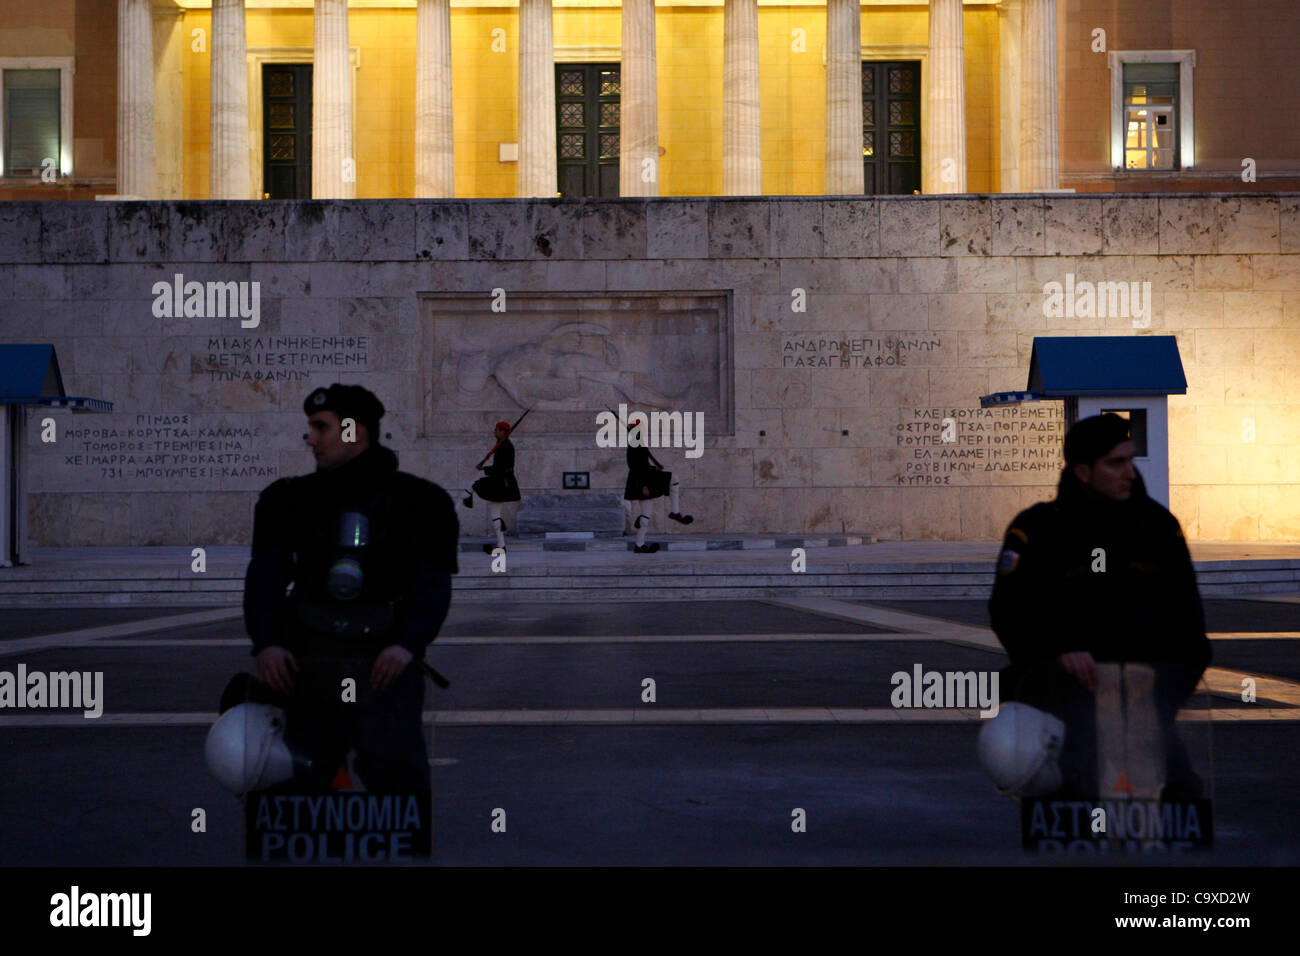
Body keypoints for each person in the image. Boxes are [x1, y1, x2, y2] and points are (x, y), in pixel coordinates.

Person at [243, 384, 459, 796]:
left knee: (397, 788)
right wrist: (267, 643)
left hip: (383, 665)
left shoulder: (423, 502)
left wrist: (407, 645)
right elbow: (265, 577)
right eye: (311, 427)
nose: (310, 438)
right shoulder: (285, 499)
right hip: (306, 666)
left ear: (353, 432)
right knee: (300, 787)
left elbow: (432, 586)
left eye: (321, 427)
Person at [988, 413, 1211, 800]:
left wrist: (1161, 682)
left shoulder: (1159, 529)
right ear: (1083, 471)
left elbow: (1188, 622)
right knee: (1068, 809)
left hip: (1145, 707)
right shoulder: (1038, 530)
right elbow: (1010, 610)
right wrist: (1056, 652)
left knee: (1178, 802)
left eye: (1130, 460)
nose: (1129, 472)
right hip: (1066, 703)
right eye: (1115, 463)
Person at [622, 414, 693, 554]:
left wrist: (655, 467)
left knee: (646, 514)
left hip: (646, 477)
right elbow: (635, 467)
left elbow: (643, 464)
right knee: (674, 478)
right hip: (643, 481)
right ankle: (675, 512)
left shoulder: (637, 443)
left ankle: (639, 544)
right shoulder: (635, 445)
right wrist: (644, 485)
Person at [470, 421, 521, 554]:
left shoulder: (505, 446)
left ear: (503, 431)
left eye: (497, 430)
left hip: (501, 482)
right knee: (495, 511)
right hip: (500, 481)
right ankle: (501, 544)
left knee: (478, 488)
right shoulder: (502, 445)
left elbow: (501, 468)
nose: (494, 432)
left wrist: (483, 469)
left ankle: (501, 542)